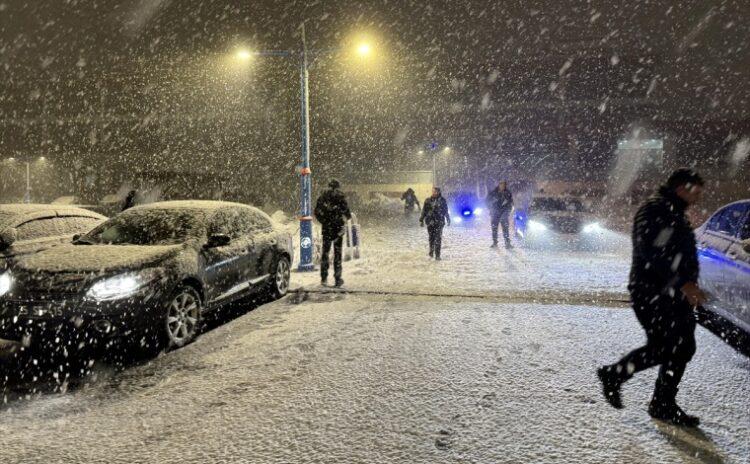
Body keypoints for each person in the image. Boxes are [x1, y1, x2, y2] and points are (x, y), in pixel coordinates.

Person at [597, 168, 706, 427]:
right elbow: (654, 253)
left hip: (671, 293)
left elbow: (673, 253)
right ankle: (615, 375)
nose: (699, 198)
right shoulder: (656, 210)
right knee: (666, 347)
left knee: (682, 347)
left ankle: (662, 402)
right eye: (696, 192)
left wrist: (687, 285)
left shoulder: (673, 212)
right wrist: (683, 284)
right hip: (652, 293)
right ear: (682, 188)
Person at [314, 179, 352, 287]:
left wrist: (324, 221)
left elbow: (316, 212)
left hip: (327, 229)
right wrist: (345, 217)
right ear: (338, 186)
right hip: (338, 229)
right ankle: (337, 279)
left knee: (325, 253)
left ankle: (324, 278)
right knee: (337, 254)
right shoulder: (340, 196)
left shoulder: (323, 197)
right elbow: (347, 213)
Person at [420, 187, 450, 260]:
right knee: (431, 238)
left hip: (439, 222)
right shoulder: (428, 200)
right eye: (433, 191)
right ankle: (431, 252)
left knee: (438, 238)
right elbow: (424, 211)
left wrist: (448, 219)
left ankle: (437, 255)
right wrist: (421, 219)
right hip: (430, 222)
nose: (434, 193)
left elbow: (445, 210)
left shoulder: (442, 200)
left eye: (435, 192)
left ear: (438, 192)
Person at [486, 181, 514, 249]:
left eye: (504, 185)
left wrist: (508, 210)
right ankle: (495, 242)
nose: (502, 186)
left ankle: (507, 243)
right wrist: (491, 209)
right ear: (498, 185)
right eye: (501, 184)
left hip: (504, 211)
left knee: (505, 226)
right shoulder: (493, 193)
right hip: (495, 211)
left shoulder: (508, 193)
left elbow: (510, 203)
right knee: (494, 227)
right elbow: (487, 201)